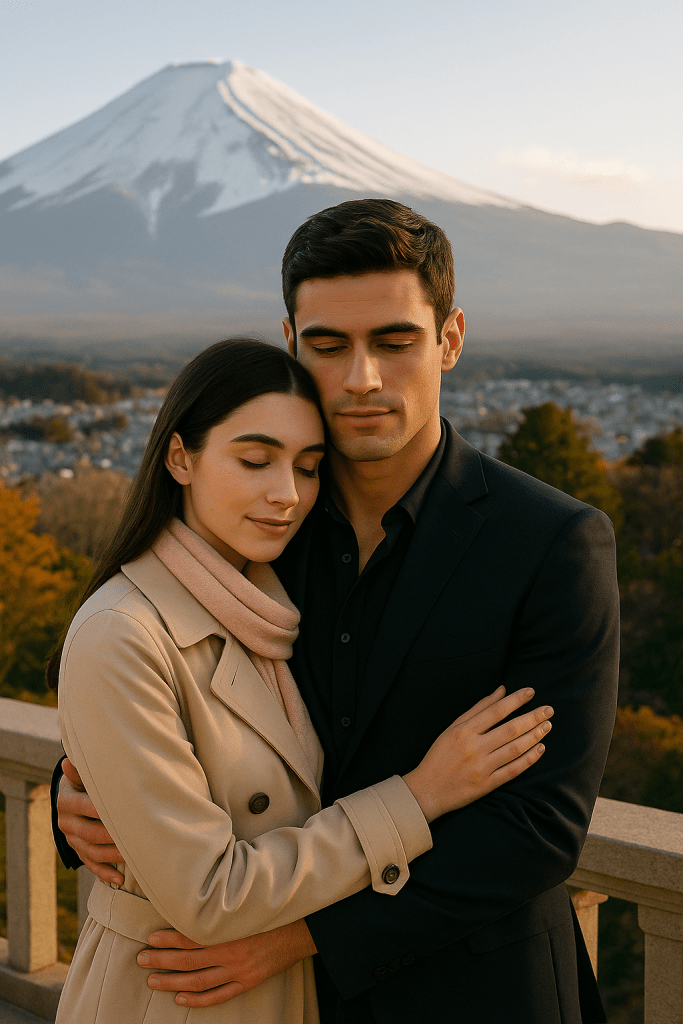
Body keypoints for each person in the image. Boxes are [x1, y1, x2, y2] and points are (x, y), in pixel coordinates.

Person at [55, 200, 619, 1024]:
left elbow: (537, 827)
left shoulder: (552, 543)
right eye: (328, 345)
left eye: (394, 342)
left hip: (473, 990)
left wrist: (302, 936)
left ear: (450, 339)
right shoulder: (260, 530)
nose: (361, 377)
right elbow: (143, 675)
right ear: (290, 342)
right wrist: (84, 788)